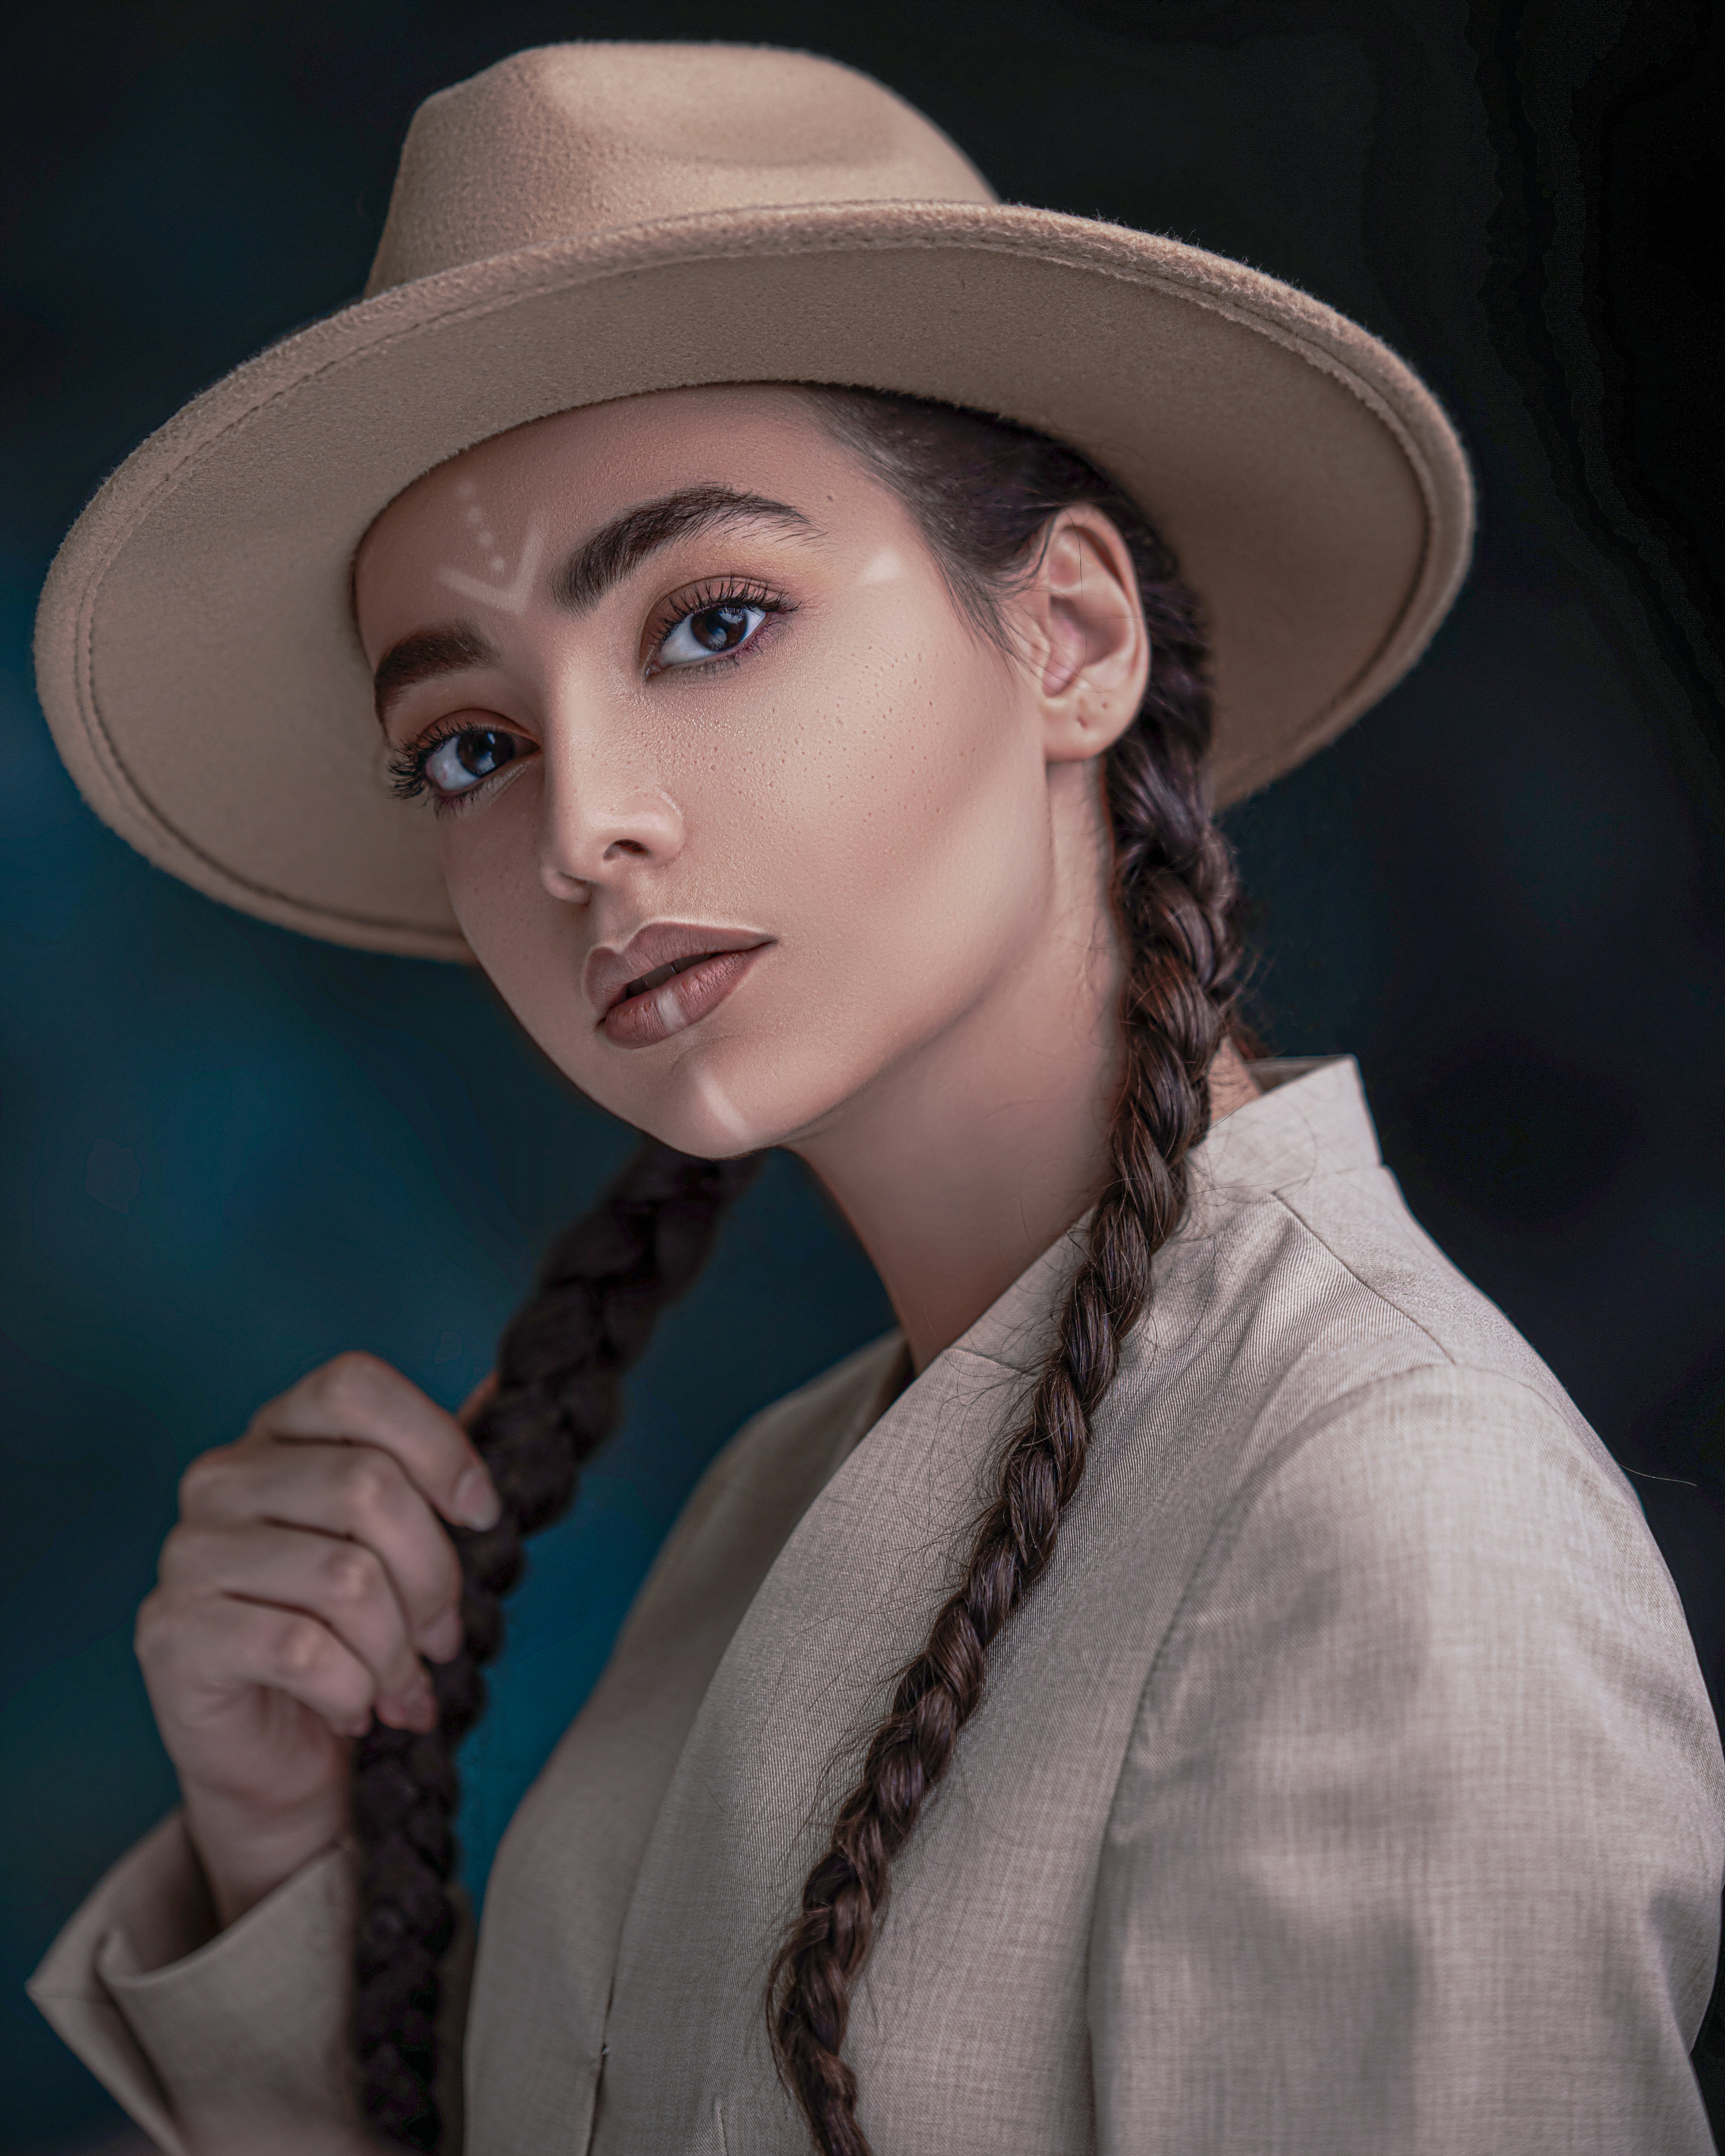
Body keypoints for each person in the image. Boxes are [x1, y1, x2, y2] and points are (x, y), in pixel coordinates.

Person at [25, 39, 1724, 2156]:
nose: (583, 829)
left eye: (712, 619)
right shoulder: (779, 1504)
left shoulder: (1380, 1522)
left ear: (1071, 640)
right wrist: (290, 1847)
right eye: (467, 747)